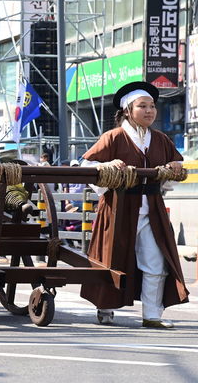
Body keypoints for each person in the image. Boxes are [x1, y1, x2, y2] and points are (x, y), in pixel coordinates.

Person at [80, 81, 189, 328]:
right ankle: (105, 307)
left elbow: (177, 164)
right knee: (111, 258)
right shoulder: (113, 137)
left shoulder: (160, 139)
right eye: (143, 106)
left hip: (152, 209)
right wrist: (106, 166)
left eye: (152, 106)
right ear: (128, 110)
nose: (150, 110)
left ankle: (152, 315)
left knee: (156, 261)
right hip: (118, 208)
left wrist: (175, 167)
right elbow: (84, 167)